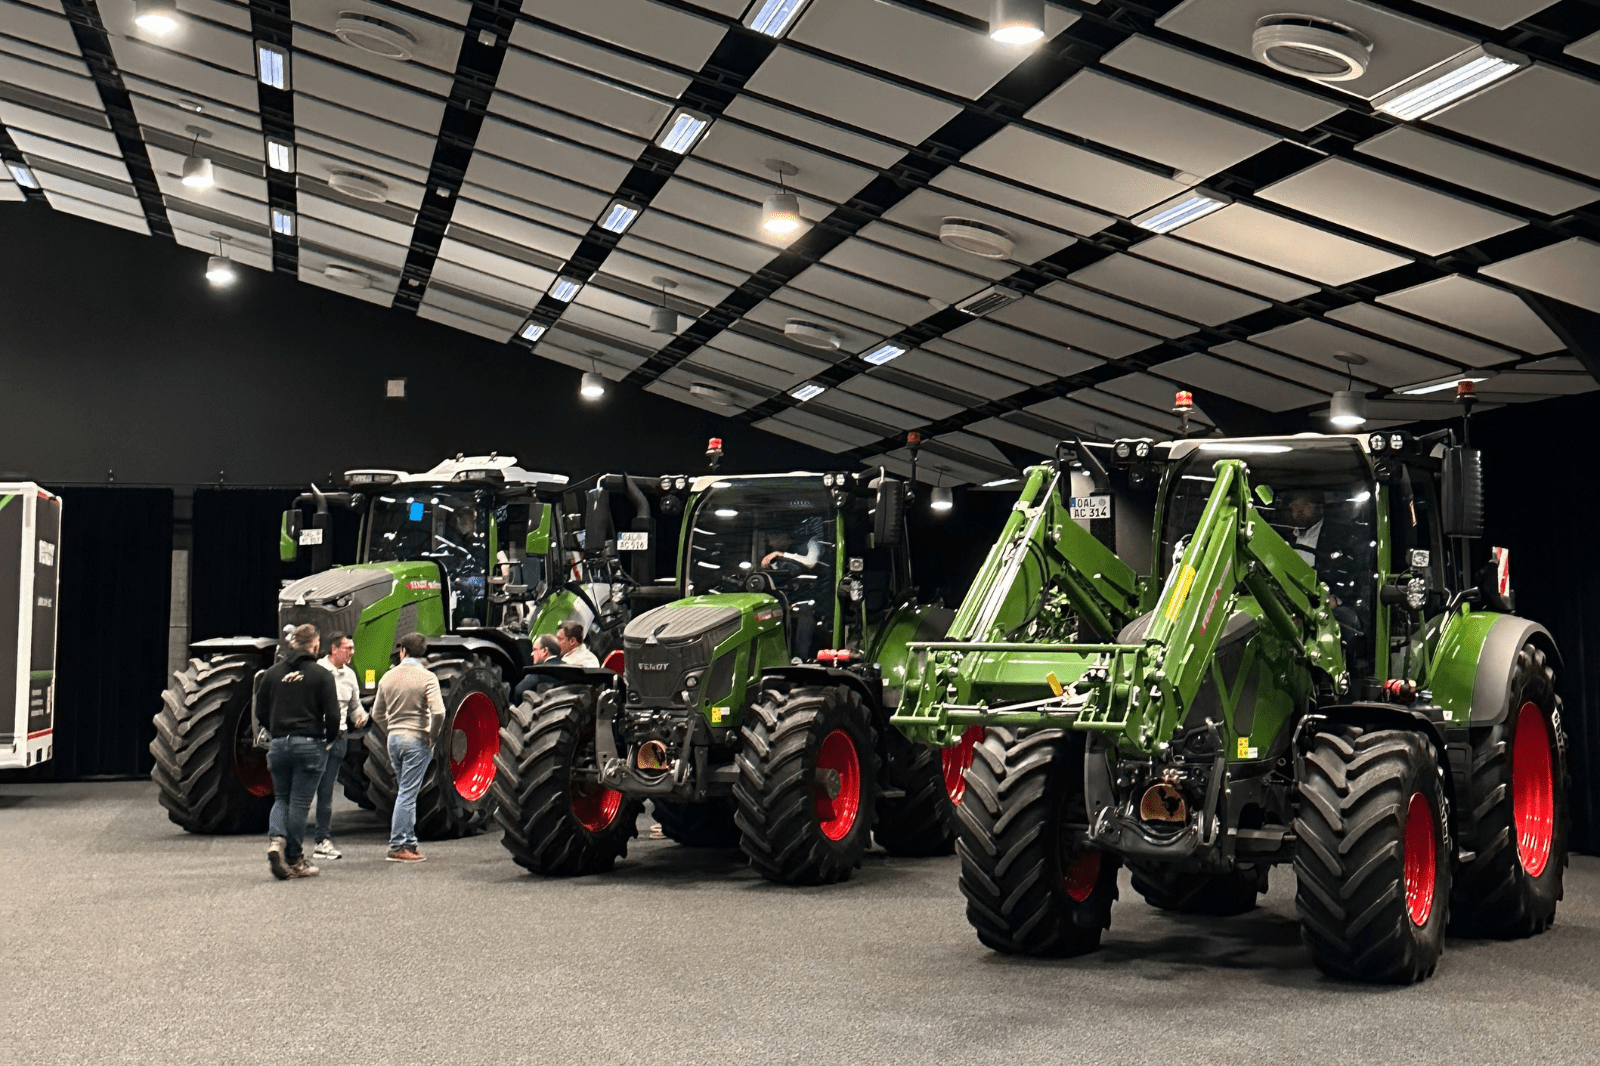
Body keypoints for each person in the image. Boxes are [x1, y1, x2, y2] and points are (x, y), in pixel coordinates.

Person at [258, 624, 340, 880]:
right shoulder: (322, 675)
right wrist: (328, 739)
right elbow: (333, 715)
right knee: (300, 803)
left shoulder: (271, 674)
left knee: (281, 798)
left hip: (279, 745)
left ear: (292, 643)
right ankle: (294, 858)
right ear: (315, 645)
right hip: (310, 744)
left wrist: (276, 730)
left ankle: (276, 841)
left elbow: (260, 712)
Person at [370, 632, 445, 863]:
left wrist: (391, 729)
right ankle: (397, 845)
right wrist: (432, 736)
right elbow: (439, 712)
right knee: (407, 793)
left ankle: (410, 842)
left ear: (403, 651)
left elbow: (376, 713)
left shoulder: (387, 677)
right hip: (416, 739)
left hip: (394, 739)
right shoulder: (427, 677)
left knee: (406, 792)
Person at [310, 632, 368, 861]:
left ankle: (322, 839)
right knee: (303, 789)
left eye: (353, 648)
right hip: (316, 738)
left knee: (326, 790)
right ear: (334, 649)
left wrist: (361, 716)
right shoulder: (316, 672)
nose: (352, 652)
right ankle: (286, 840)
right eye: (348, 648)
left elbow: (354, 706)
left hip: (339, 739)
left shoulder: (350, 675)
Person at [511, 634, 564, 703]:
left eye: (535, 649)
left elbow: (518, 691)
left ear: (545, 651)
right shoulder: (571, 669)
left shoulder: (538, 672)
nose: (532, 654)